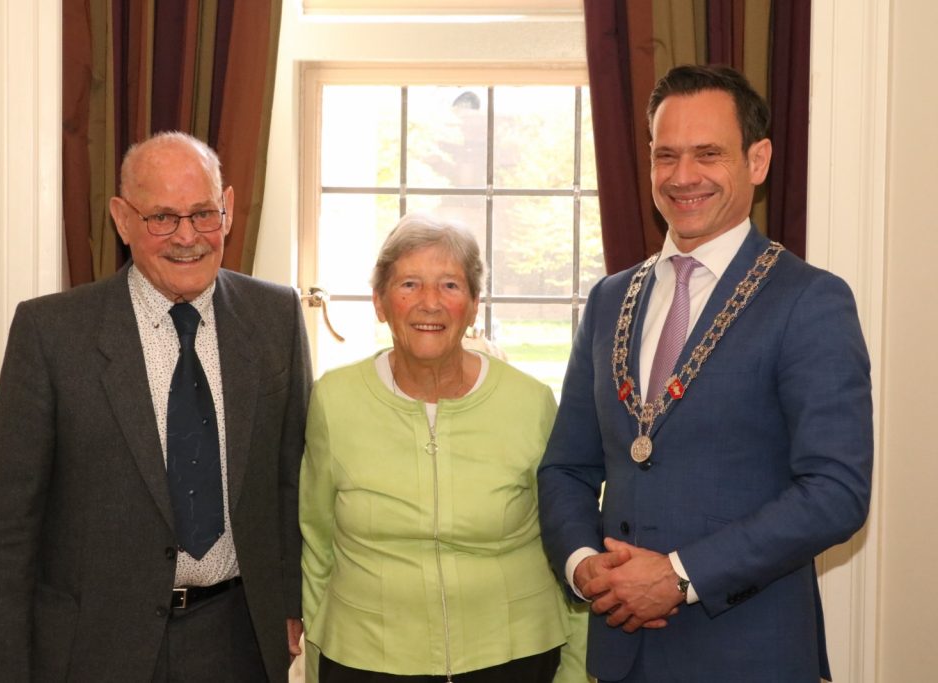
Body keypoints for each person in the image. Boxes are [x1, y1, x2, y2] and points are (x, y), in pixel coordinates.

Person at [537, 64, 873, 683]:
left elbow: (835, 491)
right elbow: (566, 467)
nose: (682, 176)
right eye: (665, 155)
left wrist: (680, 576)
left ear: (758, 160)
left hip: (750, 653)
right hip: (621, 652)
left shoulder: (809, 300)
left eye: (708, 154)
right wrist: (583, 563)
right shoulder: (609, 299)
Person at [0, 131, 311, 682]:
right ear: (122, 220)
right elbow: (6, 527)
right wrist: (0, 668)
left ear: (227, 210)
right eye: (162, 218)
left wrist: (293, 603)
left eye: (203, 213)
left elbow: (293, 479)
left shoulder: (276, 317)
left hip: (238, 639)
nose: (187, 237)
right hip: (93, 646)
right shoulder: (51, 333)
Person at [299, 213, 588, 682]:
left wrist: (574, 672)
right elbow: (317, 545)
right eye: (409, 284)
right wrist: (315, 664)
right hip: (366, 658)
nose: (429, 303)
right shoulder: (334, 400)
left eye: (450, 285)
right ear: (379, 302)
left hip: (515, 655)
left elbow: (567, 537)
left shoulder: (530, 402)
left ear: (473, 306)